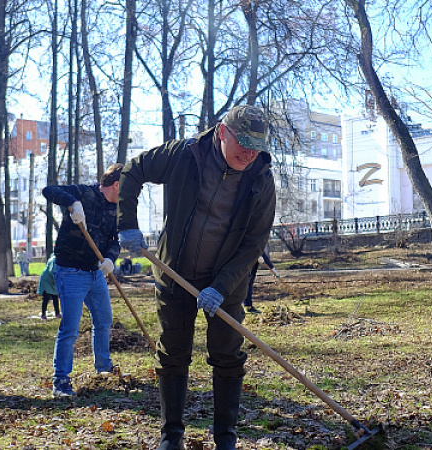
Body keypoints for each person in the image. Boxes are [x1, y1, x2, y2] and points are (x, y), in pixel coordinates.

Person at [117, 105, 276, 450]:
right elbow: (133, 170)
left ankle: (226, 440)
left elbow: (254, 242)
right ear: (222, 132)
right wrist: (126, 222)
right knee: (173, 353)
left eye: (256, 145)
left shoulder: (260, 178)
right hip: (175, 274)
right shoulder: (183, 155)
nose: (248, 152)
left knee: (228, 356)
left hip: (226, 282)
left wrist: (220, 287)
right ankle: (170, 437)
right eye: (242, 142)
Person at [42, 163, 123, 398]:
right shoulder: (85, 193)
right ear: (116, 185)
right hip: (70, 271)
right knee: (70, 329)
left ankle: (103, 368)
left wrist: (110, 259)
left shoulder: (115, 210)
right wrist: (72, 203)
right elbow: (49, 190)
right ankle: (61, 381)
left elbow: (114, 241)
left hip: (95, 272)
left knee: (104, 320)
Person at [243, 247, 279, 313]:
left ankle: (248, 305)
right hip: (244, 265)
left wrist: (273, 269)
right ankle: (248, 306)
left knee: (248, 285)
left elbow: (261, 253)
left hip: (251, 267)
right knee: (245, 285)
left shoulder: (258, 243)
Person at [37, 254, 61, 320]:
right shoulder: (54, 260)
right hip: (47, 280)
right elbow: (52, 271)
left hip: (52, 281)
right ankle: (43, 314)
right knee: (46, 298)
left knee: (55, 297)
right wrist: (57, 280)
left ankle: (57, 313)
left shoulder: (55, 258)